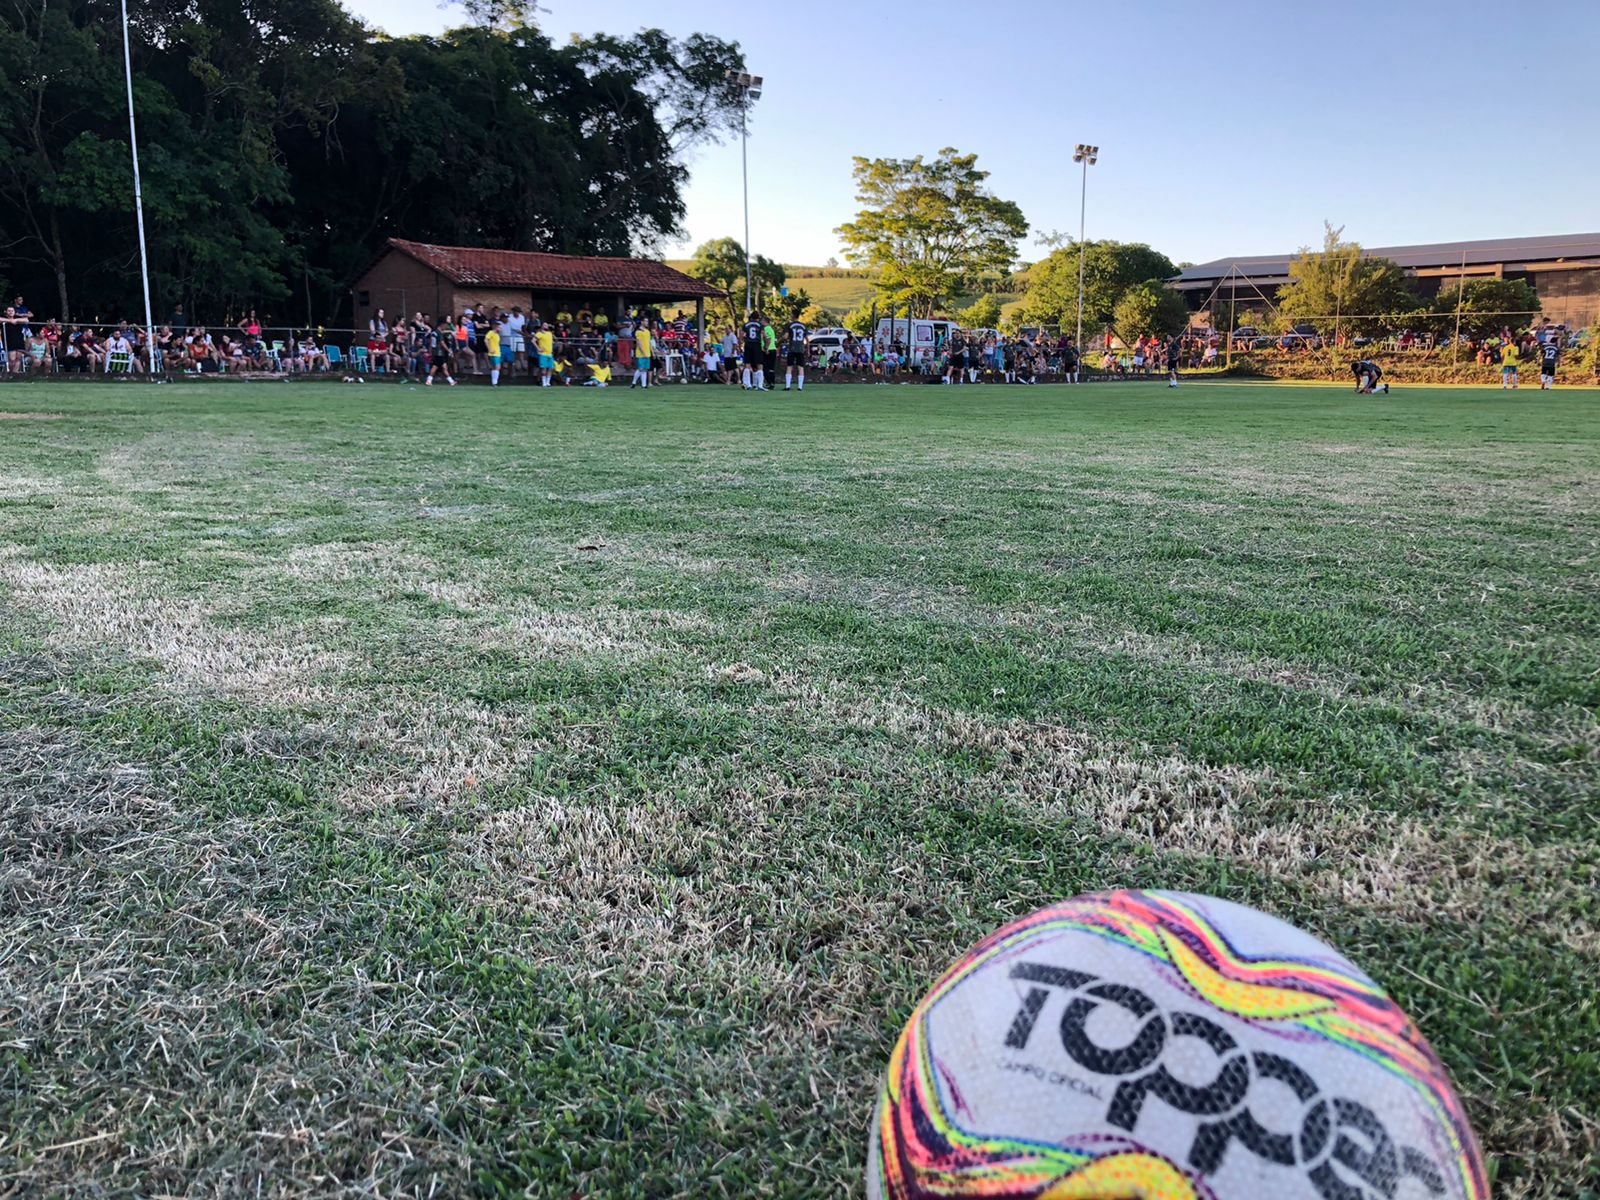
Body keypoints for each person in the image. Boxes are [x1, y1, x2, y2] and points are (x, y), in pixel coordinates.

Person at [741, 312, 765, 390]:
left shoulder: (746, 324)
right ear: (758, 317)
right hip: (756, 344)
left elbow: (741, 335)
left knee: (747, 364)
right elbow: (763, 335)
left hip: (748, 344)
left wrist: (742, 342)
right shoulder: (760, 325)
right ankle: (760, 385)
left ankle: (747, 384)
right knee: (759, 365)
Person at [783, 318, 808, 390]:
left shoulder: (790, 325)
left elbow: (786, 336)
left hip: (792, 348)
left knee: (789, 367)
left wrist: (780, 341)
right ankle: (800, 387)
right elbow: (807, 339)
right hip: (800, 349)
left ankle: (788, 386)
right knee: (800, 367)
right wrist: (806, 349)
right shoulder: (803, 326)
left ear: (792, 316)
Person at [629, 321, 652, 389]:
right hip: (640, 353)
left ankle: (643, 385)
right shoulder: (638, 332)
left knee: (644, 369)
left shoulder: (647, 331)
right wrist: (643, 352)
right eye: (646, 321)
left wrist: (652, 351)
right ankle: (634, 383)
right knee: (641, 368)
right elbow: (639, 343)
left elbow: (649, 342)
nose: (647, 322)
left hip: (647, 352)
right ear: (642, 322)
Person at [535, 321, 556, 388]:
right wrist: (538, 348)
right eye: (544, 325)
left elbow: (553, 340)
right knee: (543, 368)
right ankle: (544, 382)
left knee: (550, 368)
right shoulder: (539, 333)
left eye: (546, 325)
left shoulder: (550, 333)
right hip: (543, 353)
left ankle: (548, 382)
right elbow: (533, 340)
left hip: (549, 353)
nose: (546, 326)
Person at [485, 322, 502, 387]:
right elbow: (486, 340)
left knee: (495, 367)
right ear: (496, 327)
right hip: (494, 353)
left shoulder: (497, 334)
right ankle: (494, 382)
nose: (501, 329)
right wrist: (489, 349)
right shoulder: (491, 332)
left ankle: (494, 382)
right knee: (497, 367)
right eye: (500, 327)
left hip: (497, 353)